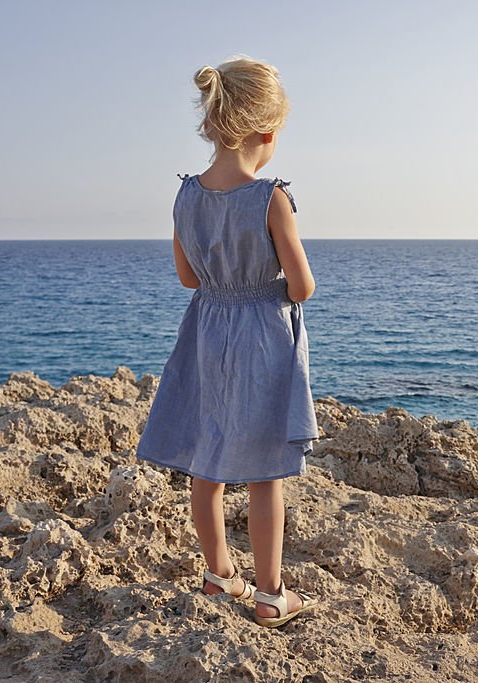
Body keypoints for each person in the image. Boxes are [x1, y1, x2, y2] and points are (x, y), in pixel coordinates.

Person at [135, 55, 319, 628]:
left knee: (206, 460)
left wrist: (223, 280)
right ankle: (270, 594)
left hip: (206, 330)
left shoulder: (186, 195)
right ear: (266, 132)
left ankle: (220, 576)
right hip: (262, 333)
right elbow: (302, 286)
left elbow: (187, 278)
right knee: (265, 473)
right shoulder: (270, 198)